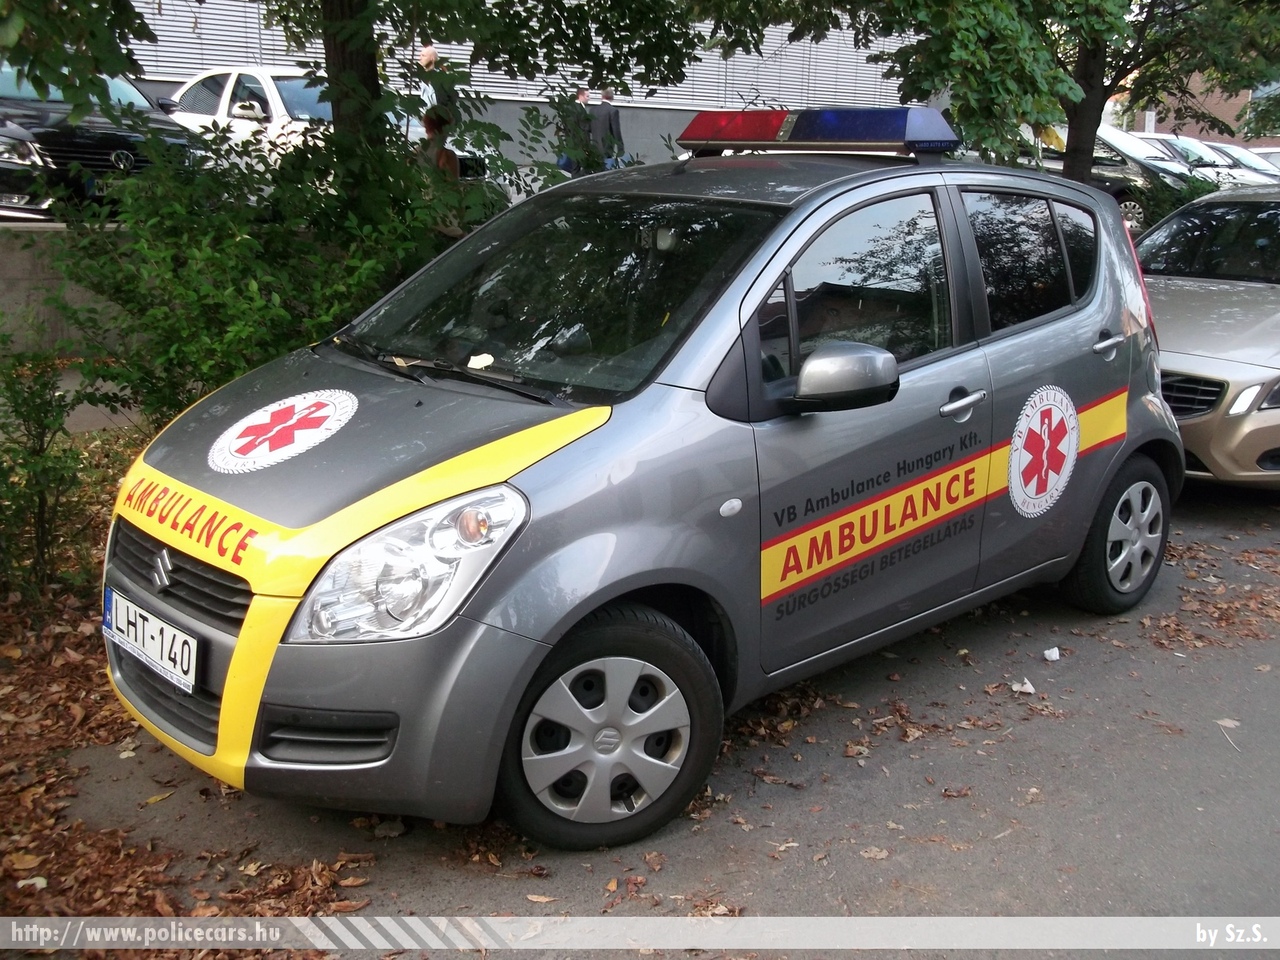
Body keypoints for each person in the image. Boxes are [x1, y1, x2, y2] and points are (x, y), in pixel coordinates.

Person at [418, 42, 460, 180]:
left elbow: (452, 101)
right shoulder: (421, 81)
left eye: (423, 55)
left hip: (439, 123)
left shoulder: (442, 80)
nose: (419, 58)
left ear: (431, 59)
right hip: (430, 125)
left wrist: (446, 120)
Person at [556, 87, 594, 175]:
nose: (589, 98)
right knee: (583, 168)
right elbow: (584, 129)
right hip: (580, 145)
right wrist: (586, 146)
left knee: (575, 168)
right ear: (581, 96)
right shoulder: (580, 110)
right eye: (587, 96)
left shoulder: (569, 108)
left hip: (572, 144)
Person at [589, 87, 625, 169]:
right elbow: (616, 131)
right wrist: (620, 150)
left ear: (601, 96)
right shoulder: (613, 111)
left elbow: (589, 128)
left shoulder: (592, 110)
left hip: (594, 146)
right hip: (606, 148)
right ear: (612, 97)